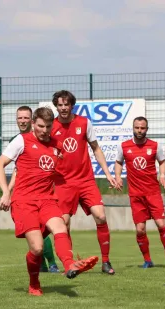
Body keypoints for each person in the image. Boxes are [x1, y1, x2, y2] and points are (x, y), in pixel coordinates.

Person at [0, 106, 98, 296]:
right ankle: (34, 284)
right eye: (40, 126)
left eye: (48, 127)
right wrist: (5, 193)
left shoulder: (57, 145)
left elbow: (58, 172)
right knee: (37, 248)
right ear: (33, 124)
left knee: (61, 227)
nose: (44, 131)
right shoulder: (21, 141)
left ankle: (69, 265)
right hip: (24, 201)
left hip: (47, 199)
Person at [51, 90, 117, 275]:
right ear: (56, 106)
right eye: (60, 105)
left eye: (66, 104)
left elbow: (96, 148)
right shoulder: (51, 127)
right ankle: (70, 264)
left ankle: (106, 262)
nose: (63, 108)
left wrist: (108, 173)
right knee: (63, 224)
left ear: (72, 105)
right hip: (63, 183)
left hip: (86, 180)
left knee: (101, 216)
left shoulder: (83, 123)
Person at [114, 116, 165, 269]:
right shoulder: (124, 146)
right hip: (135, 195)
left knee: (161, 224)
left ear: (146, 129)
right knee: (140, 229)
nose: (139, 130)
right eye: (137, 127)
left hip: (153, 192)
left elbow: (162, 162)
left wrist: (162, 175)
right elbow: (118, 162)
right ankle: (147, 260)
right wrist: (117, 177)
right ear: (133, 128)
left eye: (142, 128)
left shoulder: (155, 146)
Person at [7, 106, 60, 273]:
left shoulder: (46, 140)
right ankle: (42, 265)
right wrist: (8, 192)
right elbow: (18, 170)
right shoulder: (18, 140)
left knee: (45, 230)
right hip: (25, 196)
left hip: (44, 195)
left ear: (32, 120)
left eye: (25, 118)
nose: (22, 121)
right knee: (35, 235)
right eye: (19, 118)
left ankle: (52, 262)